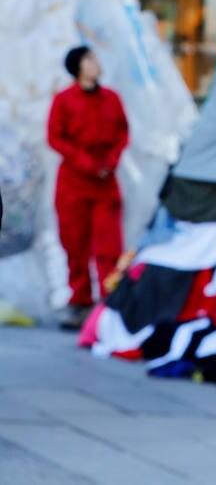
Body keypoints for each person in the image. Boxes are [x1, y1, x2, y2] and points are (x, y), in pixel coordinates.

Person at [46, 46, 128, 331]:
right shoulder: (64, 100)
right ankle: (80, 302)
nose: (96, 64)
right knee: (75, 243)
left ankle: (110, 301)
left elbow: (122, 132)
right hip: (74, 182)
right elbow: (55, 137)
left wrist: (110, 161)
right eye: (90, 59)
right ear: (78, 67)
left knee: (109, 245)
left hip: (106, 183)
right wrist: (85, 162)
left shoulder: (112, 99)